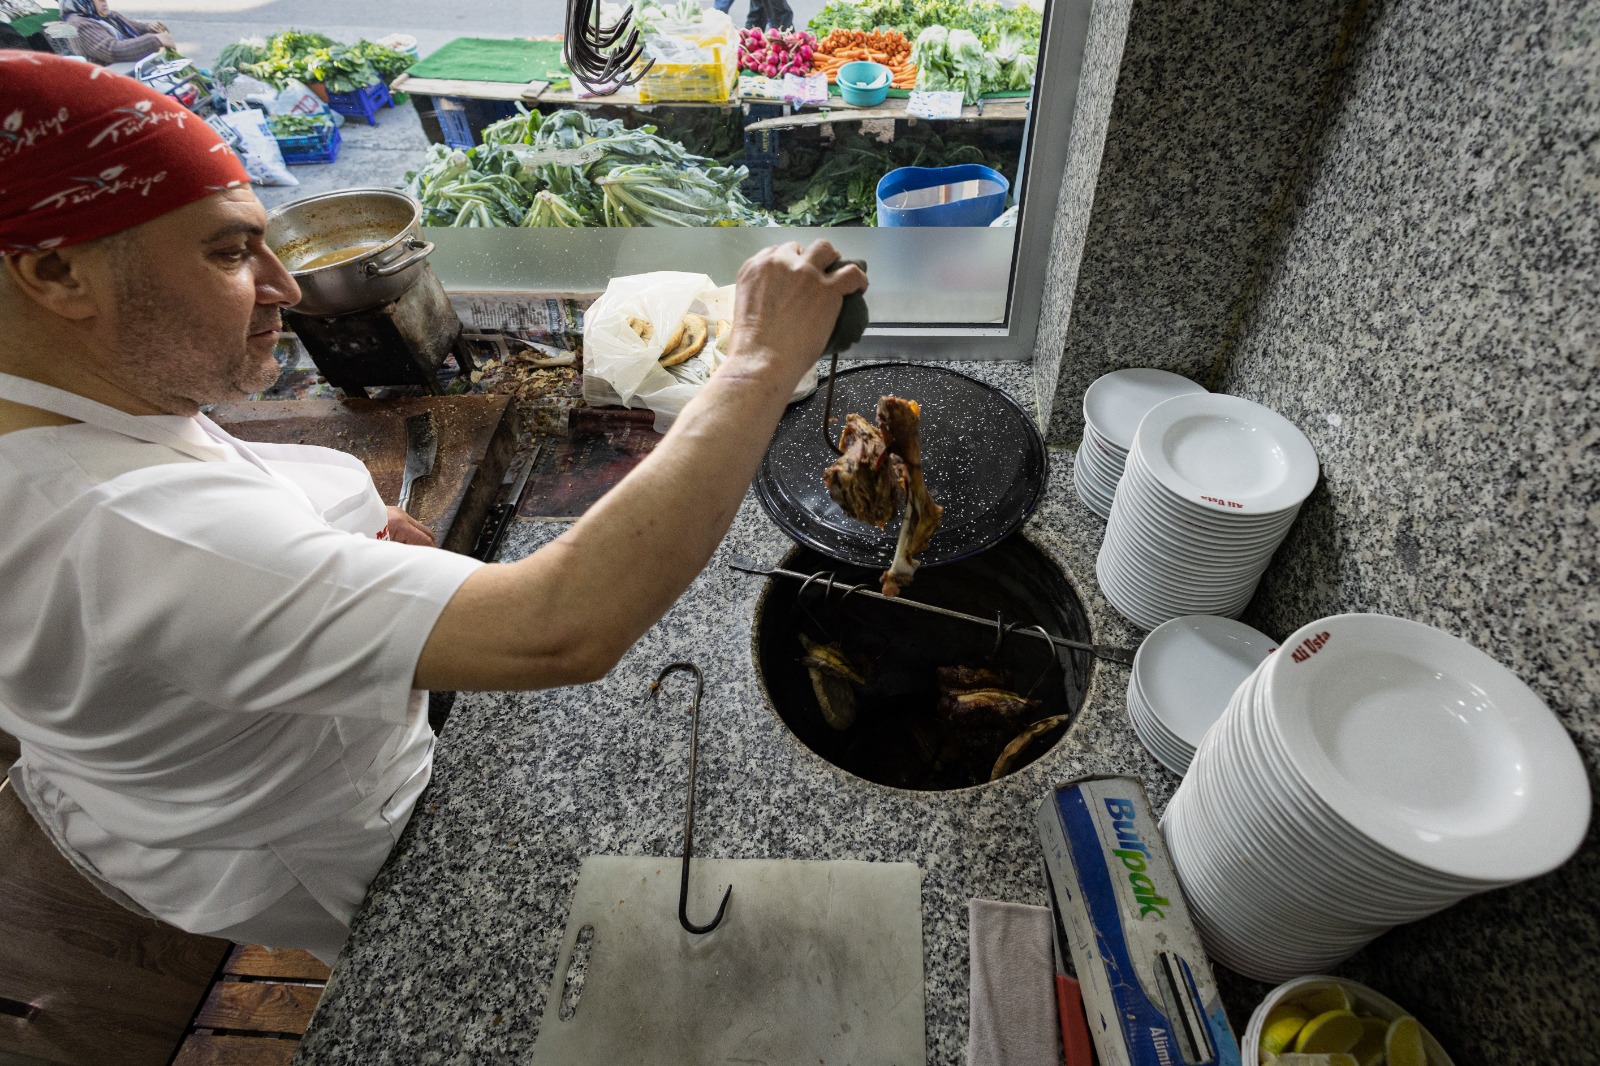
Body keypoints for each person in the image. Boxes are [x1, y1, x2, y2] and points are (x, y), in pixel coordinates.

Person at [0, 54, 865, 965]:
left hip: (163, 780)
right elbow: (561, 628)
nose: (284, 288)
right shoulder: (129, 537)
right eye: (226, 252)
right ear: (56, 274)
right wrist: (759, 361)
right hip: (335, 839)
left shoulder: (68, 399)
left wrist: (341, 530)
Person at [58, 0, 173, 65]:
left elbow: (136, 28)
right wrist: (157, 39)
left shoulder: (108, 16)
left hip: (137, 70)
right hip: (116, 81)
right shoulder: (78, 24)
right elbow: (112, 50)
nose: (103, 0)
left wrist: (152, 28)